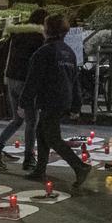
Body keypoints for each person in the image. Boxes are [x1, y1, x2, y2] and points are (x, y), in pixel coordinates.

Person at [24, 13, 91, 190]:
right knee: (42, 132)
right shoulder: (69, 52)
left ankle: (80, 166)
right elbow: (75, 80)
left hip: (50, 100)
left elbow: (33, 80)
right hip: (63, 99)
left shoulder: (44, 52)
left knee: (53, 137)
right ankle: (40, 168)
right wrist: (76, 104)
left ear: (47, 30)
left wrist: (24, 103)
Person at [0, 8, 47, 169]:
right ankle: (29, 158)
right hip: (25, 81)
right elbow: (38, 61)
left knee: (17, 119)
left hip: (12, 78)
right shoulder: (38, 37)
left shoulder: (18, 33)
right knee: (32, 121)